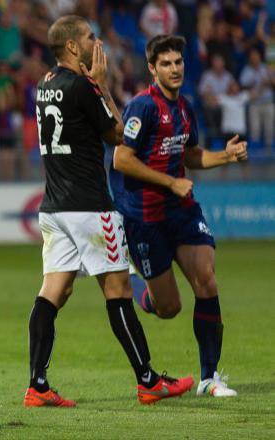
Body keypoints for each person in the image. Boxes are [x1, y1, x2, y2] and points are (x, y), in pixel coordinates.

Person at [24, 15, 193, 409]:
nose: (95, 42)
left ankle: (38, 384)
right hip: (89, 206)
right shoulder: (83, 86)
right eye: (88, 37)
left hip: (54, 207)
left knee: (54, 291)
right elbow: (121, 135)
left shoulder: (44, 85)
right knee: (117, 289)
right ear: (71, 47)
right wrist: (102, 83)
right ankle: (149, 380)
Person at [111, 35, 247, 398]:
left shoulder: (185, 108)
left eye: (178, 62)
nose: (175, 68)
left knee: (207, 278)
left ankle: (208, 378)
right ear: (153, 69)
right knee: (168, 308)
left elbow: (191, 155)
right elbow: (121, 159)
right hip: (145, 217)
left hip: (182, 211)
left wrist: (226, 156)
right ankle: (134, 285)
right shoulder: (142, 107)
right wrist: (170, 182)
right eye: (167, 64)